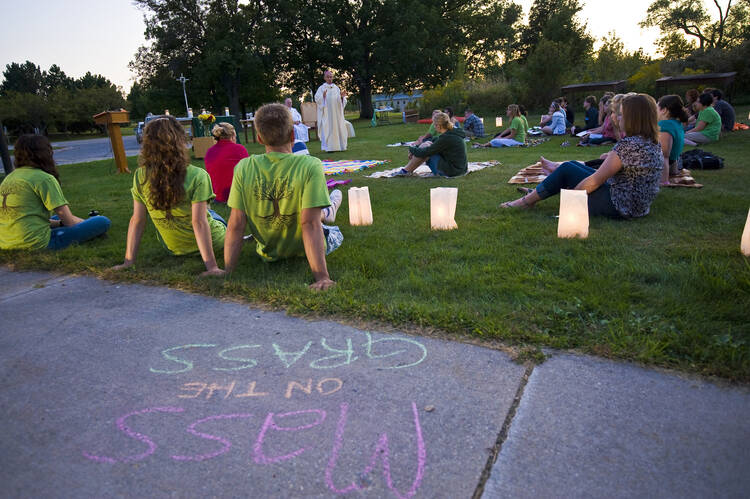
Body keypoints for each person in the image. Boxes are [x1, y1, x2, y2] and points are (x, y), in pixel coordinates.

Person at [223, 103, 343, 291]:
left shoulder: (244, 168)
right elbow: (310, 224)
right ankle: (332, 207)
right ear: (293, 135)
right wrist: (322, 277)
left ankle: (330, 208)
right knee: (333, 230)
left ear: (259, 138)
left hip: (268, 252)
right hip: (304, 249)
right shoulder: (310, 165)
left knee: (316, 214)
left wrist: (227, 270)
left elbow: (236, 223)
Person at [501, 93, 663, 220]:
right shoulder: (651, 142)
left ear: (633, 118)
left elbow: (595, 181)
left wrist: (569, 204)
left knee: (567, 169)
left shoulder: (629, 145)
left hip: (620, 206)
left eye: (621, 114)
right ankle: (536, 193)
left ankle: (525, 202)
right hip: (637, 206)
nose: (617, 117)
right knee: (573, 166)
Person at [112, 116, 226, 276]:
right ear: (180, 141)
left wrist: (128, 262)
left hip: (173, 248)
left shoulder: (141, 175)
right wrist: (212, 267)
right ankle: (239, 237)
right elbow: (199, 222)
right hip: (215, 242)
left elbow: (137, 220)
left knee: (205, 212)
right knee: (212, 214)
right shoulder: (197, 175)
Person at [0, 135, 110, 250]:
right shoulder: (44, 178)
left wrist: (61, 223)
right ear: (46, 153)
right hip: (35, 243)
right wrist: (87, 223)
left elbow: (27, 216)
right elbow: (69, 222)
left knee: (57, 217)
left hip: (6, 242)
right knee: (102, 221)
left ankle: (85, 224)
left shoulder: (9, 178)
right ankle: (92, 222)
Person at [393, 112, 468, 177]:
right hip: (460, 169)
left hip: (452, 172)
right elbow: (435, 140)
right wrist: (418, 146)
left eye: (434, 125)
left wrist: (411, 148)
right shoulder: (452, 132)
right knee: (426, 144)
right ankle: (406, 170)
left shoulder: (447, 137)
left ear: (439, 126)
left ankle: (405, 171)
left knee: (426, 149)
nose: (434, 128)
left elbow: (425, 152)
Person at [204, 122, 249, 203]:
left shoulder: (209, 151)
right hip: (237, 196)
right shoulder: (239, 149)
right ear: (232, 136)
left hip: (217, 196)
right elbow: (249, 171)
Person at [656, 95, 688, 185]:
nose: (655, 111)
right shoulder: (676, 123)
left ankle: (663, 180)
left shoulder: (664, 125)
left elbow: (664, 154)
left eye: (656, 108)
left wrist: (664, 181)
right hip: (673, 162)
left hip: (664, 165)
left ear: (664, 110)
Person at [314, 70, 348, 152]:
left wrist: (342, 98)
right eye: (328, 77)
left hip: (336, 114)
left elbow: (339, 101)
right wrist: (323, 97)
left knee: (338, 128)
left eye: (331, 77)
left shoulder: (336, 88)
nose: (330, 78)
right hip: (327, 114)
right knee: (328, 129)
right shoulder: (321, 88)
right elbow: (317, 99)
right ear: (324, 78)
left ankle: (340, 146)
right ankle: (329, 148)